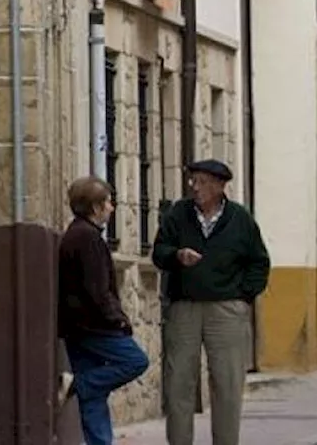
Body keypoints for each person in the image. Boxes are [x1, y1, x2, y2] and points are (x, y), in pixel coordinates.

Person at [152, 159, 271, 445]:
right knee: (179, 382)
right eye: (193, 181)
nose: (195, 187)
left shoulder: (240, 219)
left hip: (227, 309)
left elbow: (259, 262)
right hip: (184, 307)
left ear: (220, 186)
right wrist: (176, 256)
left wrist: (243, 297)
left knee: (227, 384)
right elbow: (159, 251)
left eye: (202, 182)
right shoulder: (178, 214)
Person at [58, 175, 150, 445]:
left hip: (78, 325)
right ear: (96, 207)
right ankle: (74, 385)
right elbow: (97, 290)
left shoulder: (78, 233)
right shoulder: (87, 238)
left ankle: (99, 440)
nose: (112, 208)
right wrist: (119, 321)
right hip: (92, 326)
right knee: (135, 361)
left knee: (94, 398)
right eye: (108, 202)